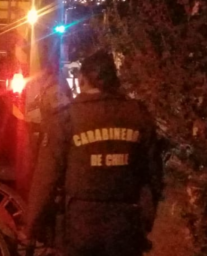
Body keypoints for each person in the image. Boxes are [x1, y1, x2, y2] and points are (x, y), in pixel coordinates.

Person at [24, 49, 164, 256]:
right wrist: (146, 220)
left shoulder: (67, 119)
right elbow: (154, 175)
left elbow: (46, 178)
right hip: (125, 225)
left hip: (81, 225)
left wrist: (32, 225)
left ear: (83, 79)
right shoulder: (138, 114)